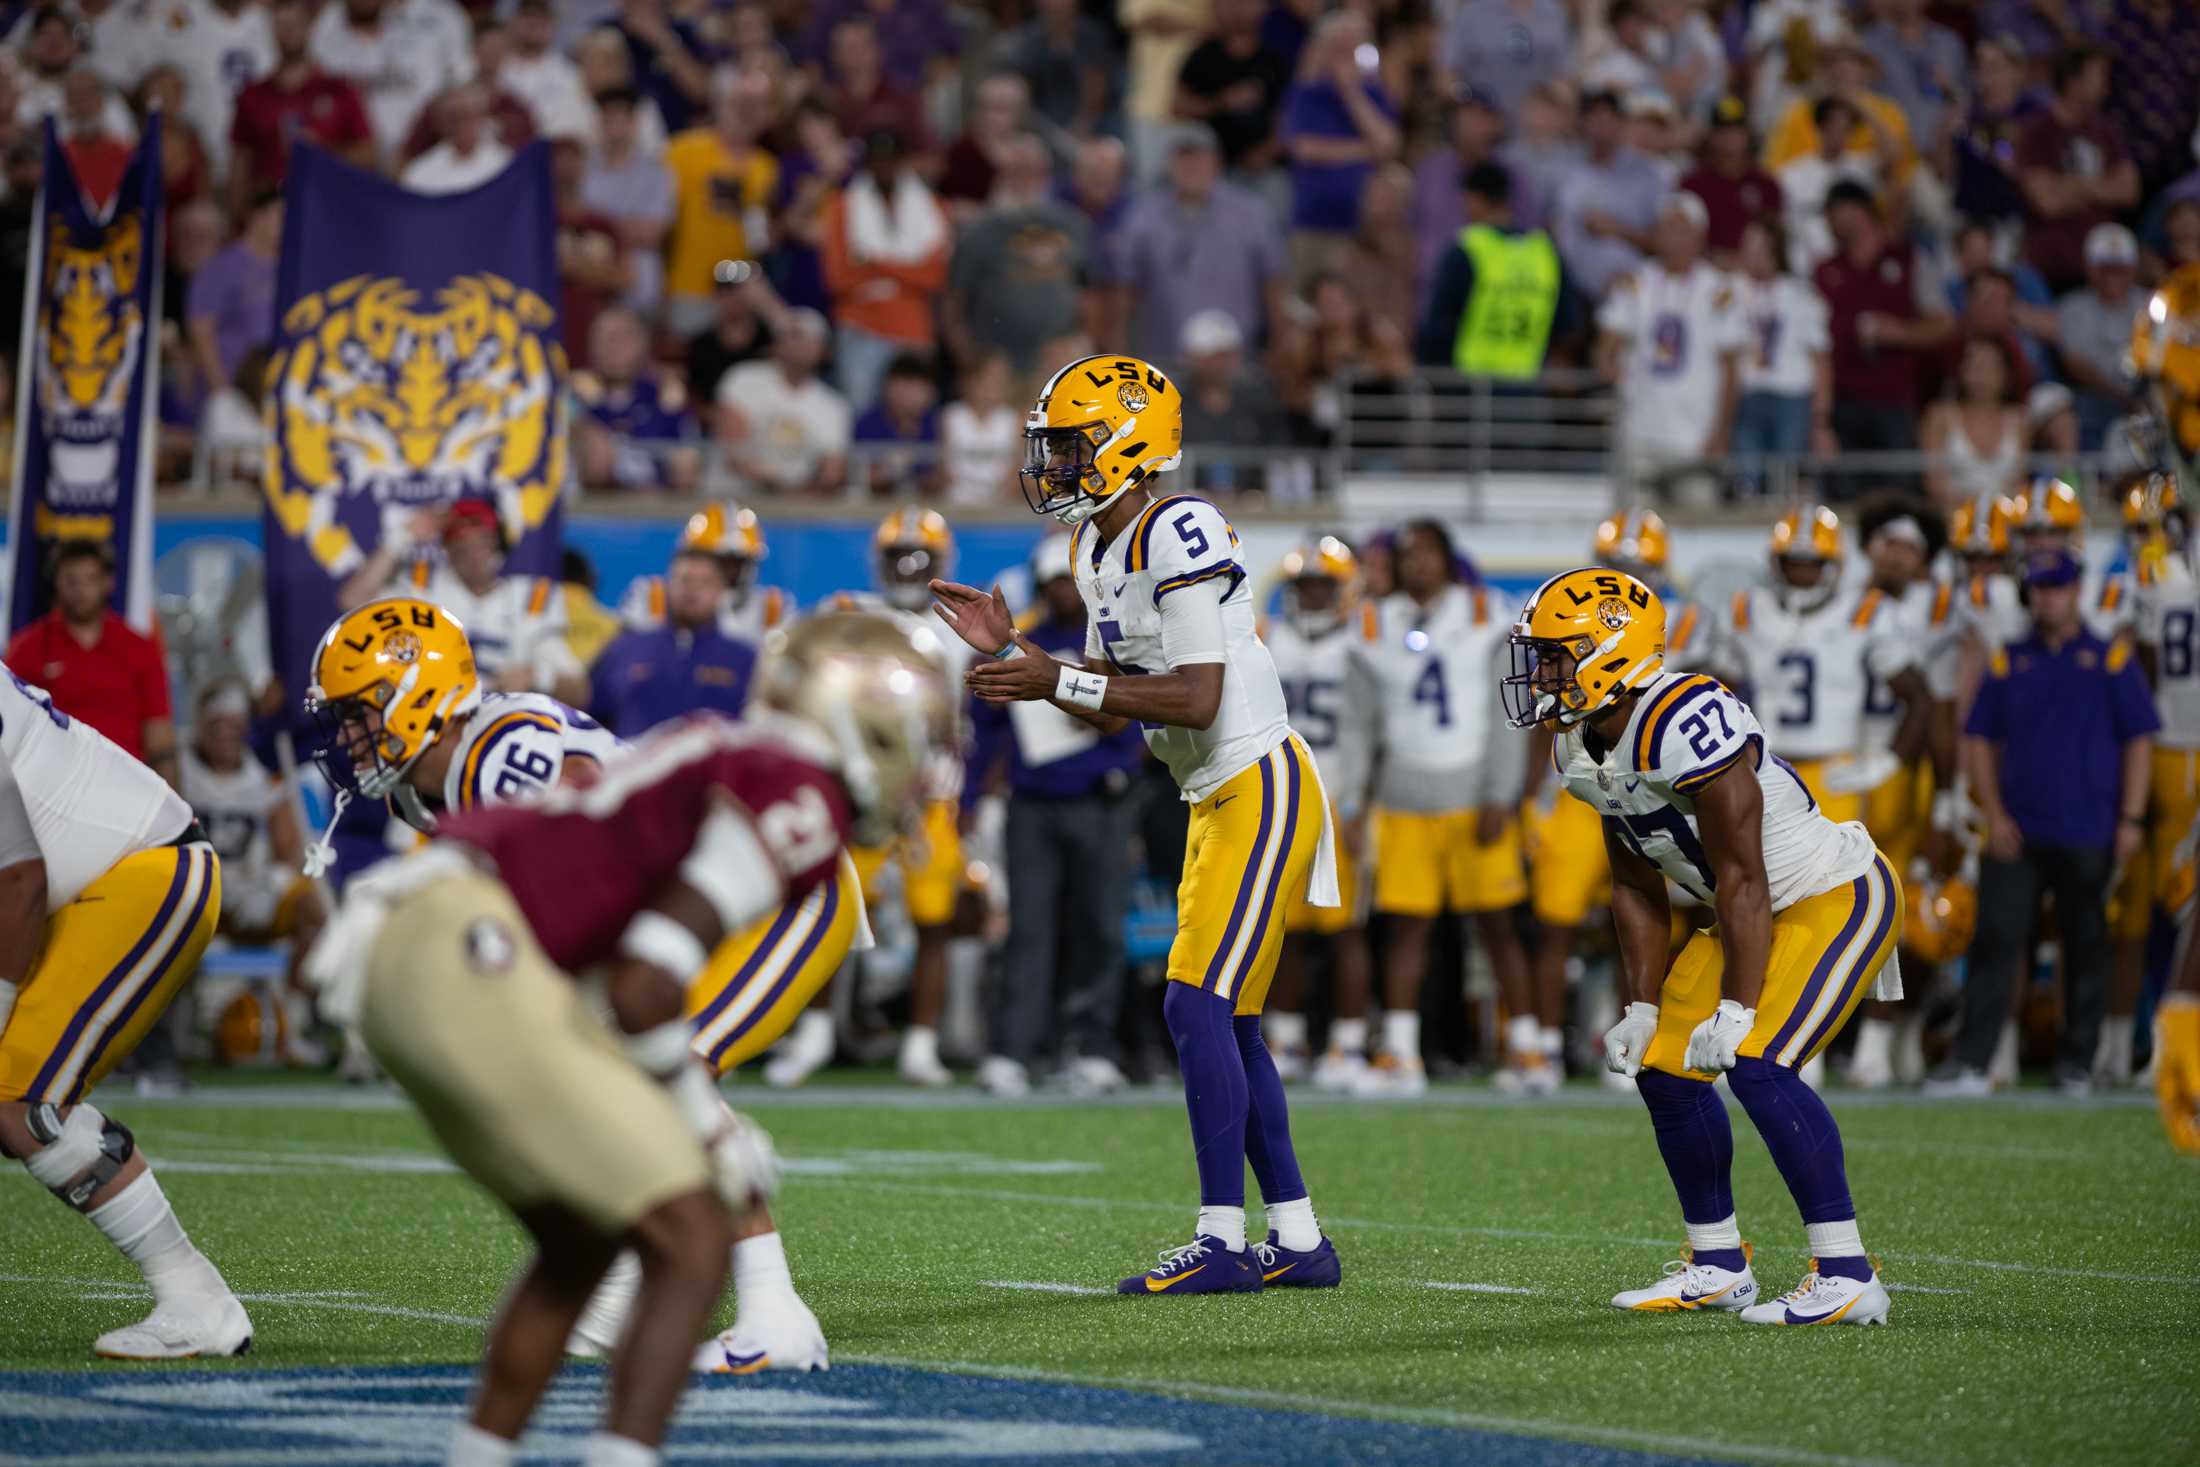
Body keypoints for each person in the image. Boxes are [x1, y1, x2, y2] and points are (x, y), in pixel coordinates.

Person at [302, 612, 949, 1462]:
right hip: (574, 923)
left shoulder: (493, 747)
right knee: (664, 1125)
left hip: (414, 936)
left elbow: (584, 855)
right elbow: (639, 966)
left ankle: (704, 1310)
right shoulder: (786, 788)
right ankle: (762, 1312)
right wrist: (709, 1122)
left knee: (602, 1180)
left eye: (362, 710)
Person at [930, 352, 1343, 1295]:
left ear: (1124, 443)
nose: (1056, 463)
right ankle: (1298, 1237)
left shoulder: (1178, 525)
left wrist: (1051, 675)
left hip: (1256, 774)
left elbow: (1197, 696)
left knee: (1194, 1003)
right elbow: (1120, 697)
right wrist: (1024, 655)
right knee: (1225, 1017)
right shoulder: (1093, 547)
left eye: (1071, 445)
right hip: (1209, 790)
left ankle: (1223, 1240)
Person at [1508, 567, 1900, 1325]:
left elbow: (1745, 874)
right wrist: (1643, 1003)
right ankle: (1717, 1261)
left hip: (1830, 890)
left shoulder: (1686, 716)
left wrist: (1735, 1005)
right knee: (1666, 1070)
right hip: (1746, 909)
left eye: (1556, 654)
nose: (1540, 673)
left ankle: (1848, 1271)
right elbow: (1633, 880)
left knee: (1756, 1060)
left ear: (1608, 652)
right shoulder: (1577, 744)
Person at [0, 669, 240, 1358]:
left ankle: (196, 1297)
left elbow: (16, 879)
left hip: (144, 869)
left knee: (21, 1100)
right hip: (74, 890)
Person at [1933, 548, 2159, 1096]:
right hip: (2019, 830)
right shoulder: (2010, 659)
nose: (2046, 597)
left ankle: (2077, 1063)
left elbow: (2140, 741)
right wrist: (1995, 813)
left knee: (2087, 944)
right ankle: (1974, 1062)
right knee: (1995, 941)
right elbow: (1980, 738)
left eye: (2055, 586)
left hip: (2091, 826)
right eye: (2037, 587)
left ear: (2076, 590)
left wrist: (2130, 817)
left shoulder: (2110, 659)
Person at [1348, 518, 1531, 1095]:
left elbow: (1510, 711)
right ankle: (1401, 1054)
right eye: (1406, 555)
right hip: (1403, 797)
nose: (1416, 565)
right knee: (1405, 929)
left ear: (1448, 559)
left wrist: (1502, 793)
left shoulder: (1485, 612)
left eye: (1426, 554)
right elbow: (1360, 725)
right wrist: (1355, 801)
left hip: (1472, 791)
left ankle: (1529, 1048)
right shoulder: (1375, 623)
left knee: (1498, 927)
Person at [966, 534, 1145, 1098]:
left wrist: (1121, 772)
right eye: (1053, 585)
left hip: (1100, 802)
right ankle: (1014, 1050)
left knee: (1099, 927)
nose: (1063, 594)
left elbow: (1136, 717)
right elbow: (986, 730)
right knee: (1030, 930)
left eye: (1070, 583)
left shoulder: (1108, 645)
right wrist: (969, 799)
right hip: (1033, 805)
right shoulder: (1022, 649)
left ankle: (1091, 1048)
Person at [805, 510, 973, 1090]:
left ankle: (920, 1046)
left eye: (919, 559)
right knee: (834, 915)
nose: (907, 569)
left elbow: (969, 717)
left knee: (934, 919)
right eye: (898, 558)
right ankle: (816, 1032)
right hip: (866, 793)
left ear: (941, 565)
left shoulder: (960, 627)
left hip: (932, 794)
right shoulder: (854, 616)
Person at [1719, 506, 1932, 838]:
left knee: (1835, 882)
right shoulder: (1748, 610)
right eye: (1793, 563)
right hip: (1767, 769)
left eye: (1812, 565)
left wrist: (1889, 762)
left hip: (1833, 772)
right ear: (1777, 563)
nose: (1802, 574)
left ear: (1833, 567)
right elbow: (1720, 692)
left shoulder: (1864, 612)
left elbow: (1918, 696)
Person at [1260, 537, 1377, 1089]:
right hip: (1282, 794)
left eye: (1320, 586)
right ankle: (1285, 1038)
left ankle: (1348, 1045)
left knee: (1344, 931)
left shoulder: (1362, 643)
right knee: (1282, 930)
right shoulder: (1266, 638)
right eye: (1303, 586)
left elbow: (1377, 736)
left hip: (1338, 797)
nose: (1309, 596)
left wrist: (1357, 805)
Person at [336, 501, 586, 705]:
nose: (475, 555)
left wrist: (537, 676)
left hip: (502, 723)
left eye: (483, 543)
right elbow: (352, 601)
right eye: (463, 546)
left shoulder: (529, 598)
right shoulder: (424, 587)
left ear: (498, 544)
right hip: (431, 723)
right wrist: (402, 537)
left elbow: (580, 692)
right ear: (448, 550)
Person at [1107, 122, 1287, 374]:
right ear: (1170, 164)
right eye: (1183, 158)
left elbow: (1273, 284)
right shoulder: (1143, 217)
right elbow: (1123, 290)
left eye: (1200, 158)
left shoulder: (1251, 213)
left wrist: (1280, 345)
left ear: (1217, 162)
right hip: (1164, 363)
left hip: (1238, 361)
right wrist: (1118, 353)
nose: (1192, 167)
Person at [1595, 192, 1746, 489]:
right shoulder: (1637, 281)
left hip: (1695, 434)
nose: (1674, 238)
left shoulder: (1719, 290)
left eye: (1682, 229)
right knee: (1633, 524)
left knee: (1697, 518)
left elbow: (1730, 369)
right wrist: (1610, 367)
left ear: (1700, 236)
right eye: (1667, 228)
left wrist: (1721, 432)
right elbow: (1606, 342)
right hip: (1640, 428)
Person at [5, 540, 177, 785]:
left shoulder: (140, 647)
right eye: (71, 580)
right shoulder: (26, 649)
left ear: (108, 582)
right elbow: (9, 731)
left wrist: (175, 812)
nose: (81, 590)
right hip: (51, 790)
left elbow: (159, 735)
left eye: (90, 579)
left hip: (126, 788)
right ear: (56, 583)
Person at [1814, 180, 1952, 467]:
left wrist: (1900, 333)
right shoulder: (1825, 269)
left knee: (1895, 490)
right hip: (1843, 400)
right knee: (1844, 497)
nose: (1830, 221)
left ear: (1858, 211)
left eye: (1834, 211)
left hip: (1894, 400)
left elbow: (1944, 325)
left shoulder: (1909, 260)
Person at [823, 126, 950, 413]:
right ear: (867, 163)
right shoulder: (844, 207)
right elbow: (839, 279)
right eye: (877, 159)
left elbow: (935, 277)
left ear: (902, 161)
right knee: (860, 411)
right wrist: (908, 271)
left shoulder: (930, 207)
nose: (884, 166)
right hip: (861, 326)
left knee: (917, 417)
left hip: (913, 327)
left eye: (890, 159)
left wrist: (875, 264)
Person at [1414, 162, 1581, 379]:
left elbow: (1438, 326)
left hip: (1469, 387)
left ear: (1474, 199)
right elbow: (1566, 324)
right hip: (1525, 385)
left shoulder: (1467, 249)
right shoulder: (1545, 252)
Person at [662, 66, 780, 338]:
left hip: (739, 294)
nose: (745, 111)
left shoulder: (768, 168)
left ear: (768, 115)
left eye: (755, 105)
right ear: (722, 103)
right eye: (740, 102)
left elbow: (761, 240)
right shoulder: (682, 151)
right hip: (688, 287)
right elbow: (661, 224)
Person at [589, 552, 760, 738]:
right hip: (637, 765)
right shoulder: (624, 650)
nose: (693, 589)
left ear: (721, 591)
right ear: (668, 586)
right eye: (684, 580)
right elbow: (592, 718)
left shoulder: (745, 659)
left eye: (705, 582)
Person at [228, 0, 374, 216]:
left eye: (295, 24)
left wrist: (322, 150)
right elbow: (240, 166)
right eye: (281, 25)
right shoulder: (252, 96)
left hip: (327, 209)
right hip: (269, 215)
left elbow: (368, 155)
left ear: (310, 27)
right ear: (272, 30)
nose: (289, 32)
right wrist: (239, 217)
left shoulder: (340, 90)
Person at [2018, 46, 2140, 294]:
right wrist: (2103, 185)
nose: (2106, 86)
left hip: (2104, 269)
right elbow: (2048, 202)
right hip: (2052, 270)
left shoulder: (2106, 131)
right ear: (2074, 84)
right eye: (2099, 77)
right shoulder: (2037, 132)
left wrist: (2069, 185)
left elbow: (2129, 191)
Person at [1728, 217, 1833, 478]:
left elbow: (1821, 359)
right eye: (1748, 247)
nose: (1752, 255)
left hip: (1791, 395)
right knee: (1747, 477)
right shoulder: (1731, 290)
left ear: (1776, 250)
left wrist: (1821, 420)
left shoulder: (1801, 295)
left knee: (1785, 478)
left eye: (1760, 248)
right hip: (1748, 393)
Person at [715, 309, 853, 496]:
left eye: (809, 339)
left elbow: (831, 471)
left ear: (823, 351)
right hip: (736, 494)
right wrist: (778, 487)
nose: (799, 346)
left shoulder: (834, 406)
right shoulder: (743, 379)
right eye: (793, 337)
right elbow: (733, 447)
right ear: (777, 344)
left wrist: (798, 498)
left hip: (799, 504)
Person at [618, 504, 790, 646]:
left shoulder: (772, 609)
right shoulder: (652, 598)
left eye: (732, 565)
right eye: (711, 563)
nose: (718, 577)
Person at [573, 308, 703, 493]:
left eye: (623, 336)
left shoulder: (668, 398)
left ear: (643, 344)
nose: (613, 346)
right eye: (604, 337)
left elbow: (686, 471)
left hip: (652, 513)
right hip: (589, 512)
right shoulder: (570, 399)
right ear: (590, 346)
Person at [1172, 0, 1289, 176]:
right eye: (1231, 3)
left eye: (1246, 3)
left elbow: (1289, 115)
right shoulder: (1203, 55)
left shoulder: (1275, 59)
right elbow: (1178, 106)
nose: (1238, 9)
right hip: (1211, 169)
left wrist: (1265, 153)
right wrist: (1221, 102)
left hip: (1266, 167)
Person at [186, 189, 281, 401]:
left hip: (273, 388)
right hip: (233, 384)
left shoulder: (290, 268)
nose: (287, 223)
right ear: (258, 217)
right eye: (280, 215)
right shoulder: (222, 268)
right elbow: (201, 330)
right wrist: (221, 390)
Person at [2056, 223, 2144, 450]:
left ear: (2133, 269)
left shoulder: (2151, 304)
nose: (2112, 277)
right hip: (2095, 398)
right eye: (2105, 269)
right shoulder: (2072, 307)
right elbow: (2074, 362)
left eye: (2120, 269)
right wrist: (2121, 396)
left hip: (2144, 396)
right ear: (2091, 270)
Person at [1922, 335, 2028, 509]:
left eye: (1990, 367)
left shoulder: (2019, 420)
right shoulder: (1939, 416)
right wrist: (1971, 513)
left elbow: (2020, 481)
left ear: (2006, 375)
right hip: (1952, 517)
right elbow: (1934, 481)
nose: (1982, 376)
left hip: (2005, 520)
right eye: (1976, 366)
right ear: (1962, 371)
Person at [1679, 96, 1783, 264]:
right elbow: (1680, 237)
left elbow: (1775, 241)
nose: (1729, 137)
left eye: (1736, 130)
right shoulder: (1693, 183)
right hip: (1704, 270)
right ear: (1711, 136)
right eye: (1722, 130)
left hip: (1753, 272)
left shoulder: (1766, 185)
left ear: (1748, 135)